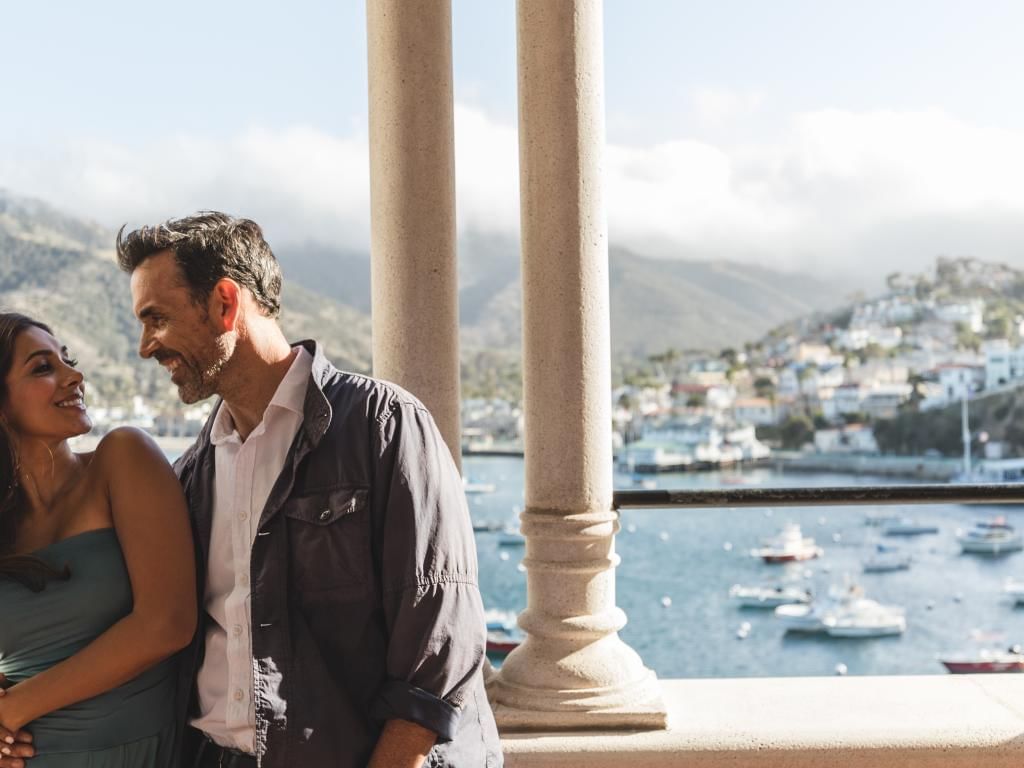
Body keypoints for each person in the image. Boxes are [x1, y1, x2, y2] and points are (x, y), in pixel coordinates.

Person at [116, 212, 502, 768]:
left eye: (156, 318)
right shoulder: (191, 475)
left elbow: (439, 651)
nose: (145, 347)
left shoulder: (384, 425)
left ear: (224, 303)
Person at [0, 312, 197, 768]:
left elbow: (167, 623)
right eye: (43, 368)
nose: (75, 376)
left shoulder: (123, 458)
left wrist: (13, 708)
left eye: (66, 360)